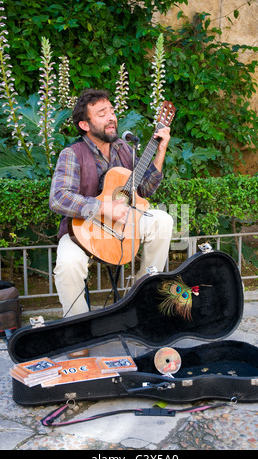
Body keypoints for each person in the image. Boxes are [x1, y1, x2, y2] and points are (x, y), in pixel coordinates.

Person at [49, 88, 173, 317]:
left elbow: (144, 189)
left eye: (112, 111)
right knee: (67, 266)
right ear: (85, 125)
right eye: (102, 113)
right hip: (83, 230)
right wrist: (104, 208)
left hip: (122, 226)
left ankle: (139, 295)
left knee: (162, 220)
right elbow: (58, 198)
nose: (111, 117)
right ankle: (79, 329)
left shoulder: (124, 149)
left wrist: (161, 149)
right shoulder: (72, 154)